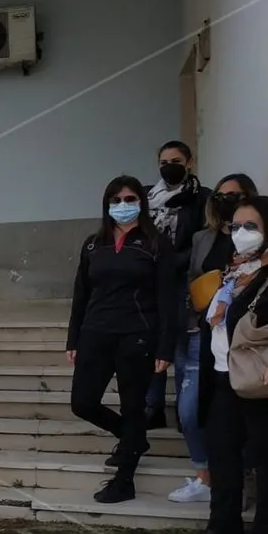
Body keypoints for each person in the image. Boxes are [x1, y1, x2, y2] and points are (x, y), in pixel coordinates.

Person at [66, 176, 178, 504]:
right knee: (82, 403)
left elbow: (168, 299)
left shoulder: (156, 243)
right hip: (95, 334)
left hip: (137, 335)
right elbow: (81, 295)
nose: (123, 206)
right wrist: (73, 338)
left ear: (141, 203)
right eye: (115, 200)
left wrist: (165, 346)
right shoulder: (92, 244)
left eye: (130, 199)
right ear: (106, 205)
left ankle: (124, 480)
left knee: (132, 407)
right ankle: (133, 439)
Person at [181, 192, 268, 534]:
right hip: (221, 374)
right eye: (236, 226)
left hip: (257, 379)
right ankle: (222, 526)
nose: (241, 233)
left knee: (266, 459)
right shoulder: (235, 267)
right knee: (222, 454)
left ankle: (265, 533)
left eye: (251, 226)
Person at [169, 174, 254, 503]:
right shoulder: (203, 238)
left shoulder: (258, 240)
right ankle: (204, 476)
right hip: (200, 333)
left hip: (243, 339)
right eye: (221, 196)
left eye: (235, 195)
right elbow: (192, 279)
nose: (227, 201)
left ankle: (239, 478)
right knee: (190, 411)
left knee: (238, 415)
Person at [144, 140, 210, 430]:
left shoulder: (201, 198)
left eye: (175, 161)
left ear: (189, 162)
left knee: (182, 342)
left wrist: (171, 261)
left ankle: (186, 412)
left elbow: (200, 240)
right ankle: (152, 406)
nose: (168, 167)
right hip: (150, 279)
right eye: (163, 162)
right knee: (151, 340)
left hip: (183, 278)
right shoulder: (146, 197)